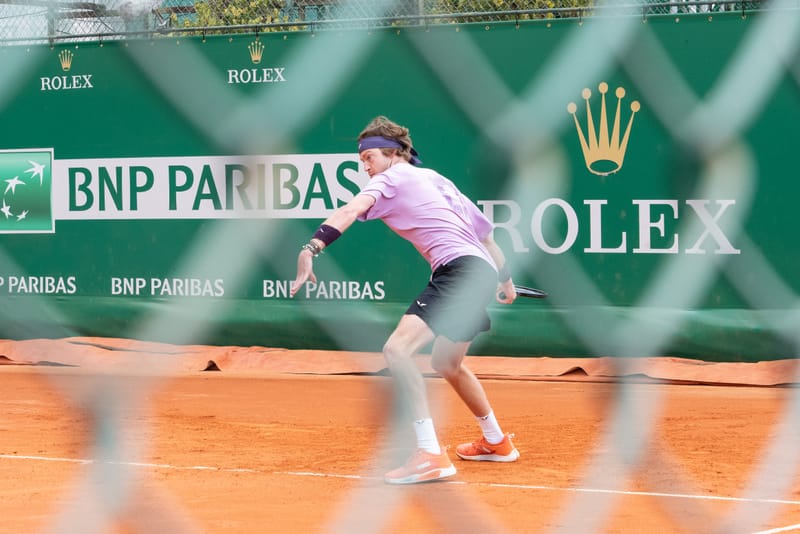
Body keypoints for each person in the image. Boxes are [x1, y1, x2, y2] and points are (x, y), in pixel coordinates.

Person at [291, 116, 519, 485]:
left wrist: (311, 248)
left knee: (397, 350)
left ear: (394, 154)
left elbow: (349, 211)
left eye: (369, 158)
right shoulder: (437, 179)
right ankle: (496, 441)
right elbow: (486, 238)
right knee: (447, 363)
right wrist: (505, 280)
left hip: (458, 271)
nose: (365, 167)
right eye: (362, 160)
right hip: (478, 270)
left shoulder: (392, 178)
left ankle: (430, 453)